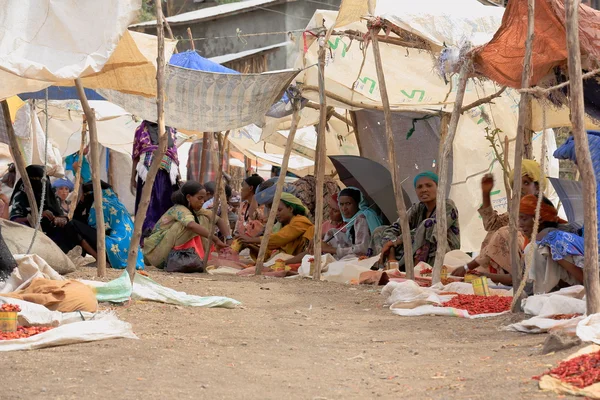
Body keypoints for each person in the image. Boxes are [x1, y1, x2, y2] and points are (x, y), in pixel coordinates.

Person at [453, 195, 578, 289]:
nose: (520, 224)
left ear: (538, 218)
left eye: (523, 219)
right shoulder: (532, 240)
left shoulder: (550, 240)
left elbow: (581, 278)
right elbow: (519, 280)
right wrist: (481, 275)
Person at [370, 171, 460, 269]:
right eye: (419, 187)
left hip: (440, 254)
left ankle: (411, 269)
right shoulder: (417, 209)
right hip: (413, 250)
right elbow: (395, 227)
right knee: (379, 231)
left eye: (429, 185)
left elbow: (428, 228)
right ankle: (389, 264)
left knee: (427, 227)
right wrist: (391, 251)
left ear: (438, 188)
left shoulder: (447, 206)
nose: (424, 190)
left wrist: (395, 242)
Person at [143, 181, 230, 269]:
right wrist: (216, 240)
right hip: (156, 254)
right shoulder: (179, 209)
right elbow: (191, 226)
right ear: (188, 197)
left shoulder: (197, 210)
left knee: (204, 217)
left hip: (168, 249)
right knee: (187, 226)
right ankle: (187, 257)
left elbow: (219, 220)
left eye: (204, 199)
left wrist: (229, 239)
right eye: (199, 198)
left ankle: (199, 255)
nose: (202, 202)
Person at [65, 181, 144, 270]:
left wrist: (81, 203)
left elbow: (89, 227)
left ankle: (101, 261)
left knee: (73, 225)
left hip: (114, 248)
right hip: (128, 253)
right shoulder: (115, 202)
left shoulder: (100, 204)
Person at [478, 159, 544, 250]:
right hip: (492, 261)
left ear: (537, 188)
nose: (521, 187)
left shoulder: (542, 214)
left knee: (504, 234)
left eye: (526, 183)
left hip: (523, 261)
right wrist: (486, 194)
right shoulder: (515, 212)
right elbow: (491, 225)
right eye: (518, 183)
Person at [131, 120, 180, 240]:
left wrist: (178, 175)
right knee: (149, 205)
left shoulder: (170, 129)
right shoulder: (141, 130)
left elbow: (174, 154)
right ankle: (148, 237)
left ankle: (161, 237)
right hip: (150, 173)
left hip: (164, 173)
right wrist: (132, 177)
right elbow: (136, 155)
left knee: (161, 204)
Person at [9, 165, 70, 249]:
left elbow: (61, 215)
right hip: (30, 235)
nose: (38, 183)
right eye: (34, 180)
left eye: (40, 180)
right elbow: (14, 220)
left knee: (71, 227)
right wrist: (38, 216)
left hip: (51, 234)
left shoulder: (50, 195)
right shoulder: (21, 196)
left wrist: (60, 219)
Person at [238, 193, 313, 259]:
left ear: (290, 209)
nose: (276, 214)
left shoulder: (301, 221)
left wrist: (251, 239)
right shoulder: (279, 226)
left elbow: (280, 238)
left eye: (279, 210)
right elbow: (269, 254)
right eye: (275, 211)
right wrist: (250, 245)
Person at [320, 188, 382, 259]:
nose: (344, 208)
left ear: (358, 204)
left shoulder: (361, 218)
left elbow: (362, 249)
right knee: (333, 232)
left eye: (348, 204)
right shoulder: (352, 221)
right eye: (341, 204)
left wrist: (331, 249)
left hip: (367, 259)